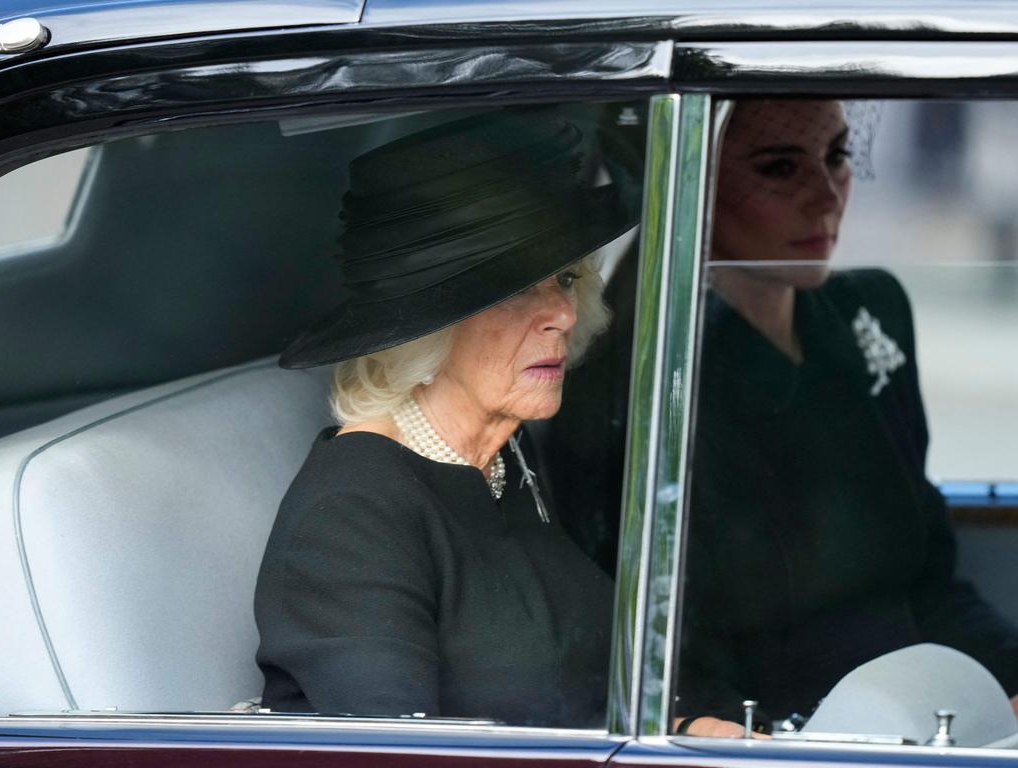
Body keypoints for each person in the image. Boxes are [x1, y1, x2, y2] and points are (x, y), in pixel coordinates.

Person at [253, 109, 637, 726]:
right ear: (425, 331)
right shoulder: (351, 519)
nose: (562, 315)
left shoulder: (502, 456)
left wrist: (688, 728)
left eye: (564, 279)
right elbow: (400, 756)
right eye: (517, 289)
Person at [673, 99, 1018, 737]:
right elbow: (679, 649)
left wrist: (1008, 684)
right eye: (779, 168)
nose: (827, 196)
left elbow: (930, 578)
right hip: (795, 734)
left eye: (838, 157)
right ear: (692, 178)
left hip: (938, 707)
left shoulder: (870, 312)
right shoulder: (665, 366)